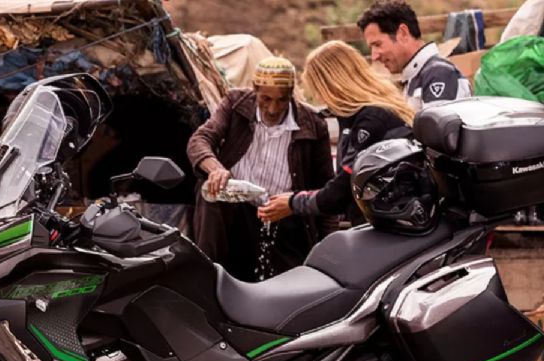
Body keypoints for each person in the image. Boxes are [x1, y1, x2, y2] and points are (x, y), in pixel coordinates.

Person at [187, 57, 334, 282]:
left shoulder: (313, 124)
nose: (273, 109)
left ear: (291, 94)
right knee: (211, 192)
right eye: (266, 99)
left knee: (285, 287)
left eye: (281, 100)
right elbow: (201, 139)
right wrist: (215, 169)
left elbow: (325, 188)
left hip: (282, 216)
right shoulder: (235, 104)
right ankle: (207, 279)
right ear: (255, 90)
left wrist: (327, 246)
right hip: (236, 212)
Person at [258, 41, 415, 224]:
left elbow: (343, 189)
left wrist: (293, 203)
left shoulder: (371, 120)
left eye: (318, 90)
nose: (319, 98)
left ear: (332, 86)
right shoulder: (365, 114)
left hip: (392, 226)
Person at [358, 0, 471, 110]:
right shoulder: (416, 76)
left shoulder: (438, 74)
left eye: (378, 44)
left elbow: (437, 128)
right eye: (371, 48)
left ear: (403, 33)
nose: (374, 56)